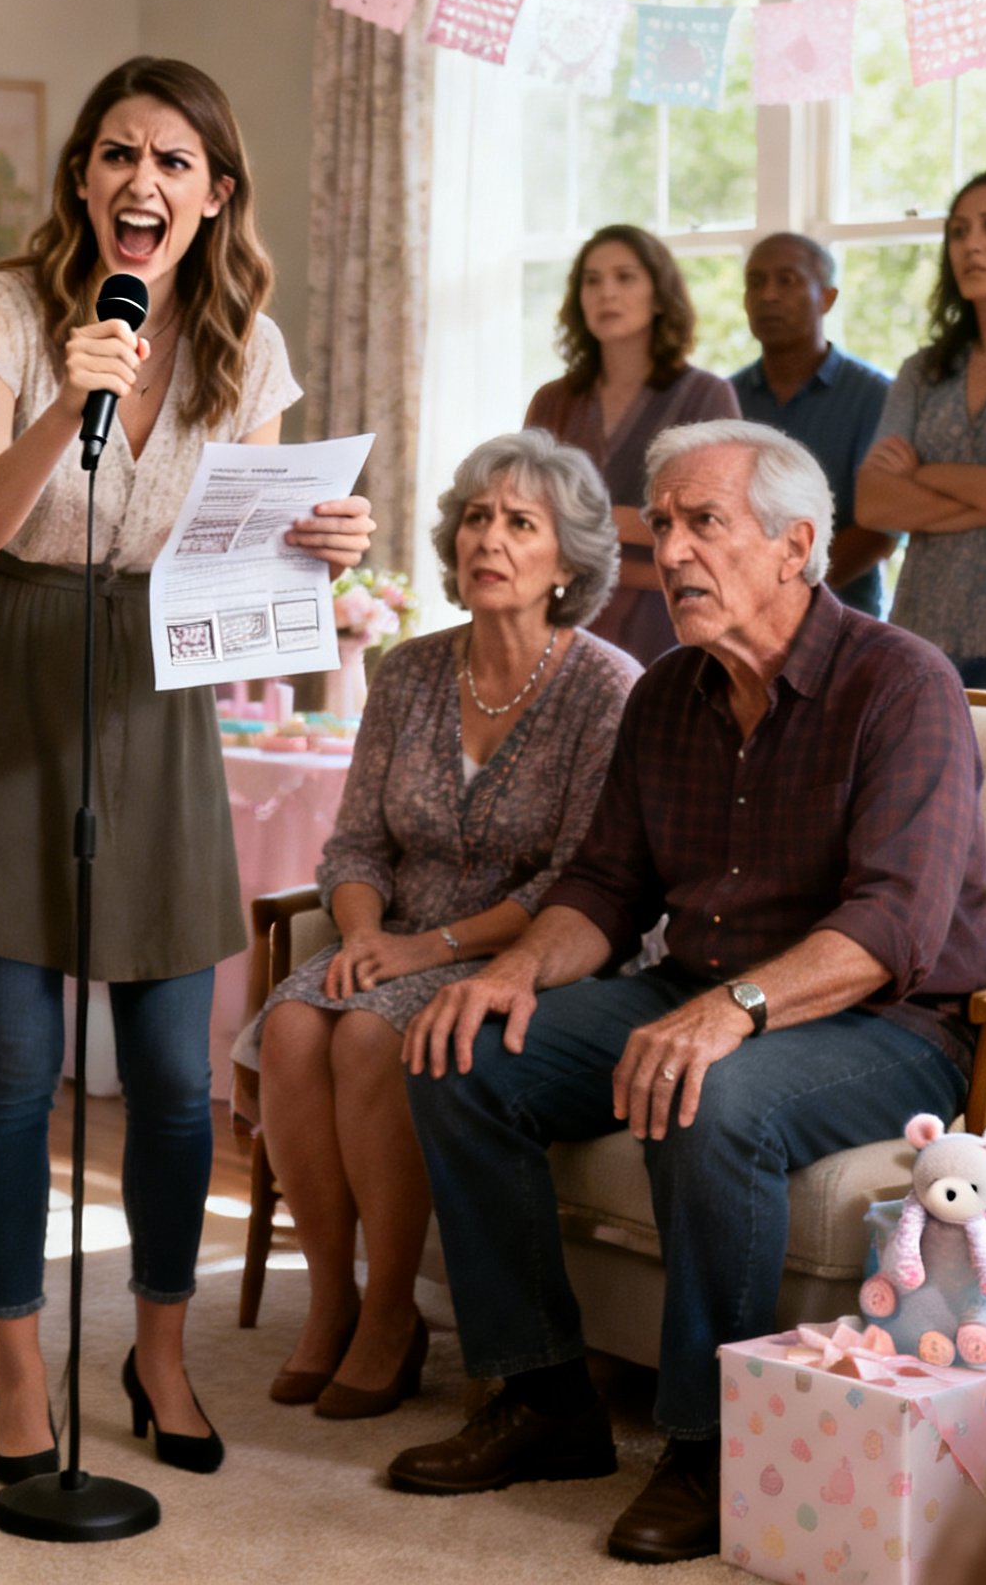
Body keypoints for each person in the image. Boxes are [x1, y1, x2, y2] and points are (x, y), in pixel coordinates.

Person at [0, 56, 375, 1482]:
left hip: (156, 683)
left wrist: (319, 548)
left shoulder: (248, 349)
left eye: (173, 160)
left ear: (215, 194)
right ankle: (19, 1369)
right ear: (84, 175)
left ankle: (158, 1352)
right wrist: (56, 401)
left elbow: (243, 553)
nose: (143, 179)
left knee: (175, 1080)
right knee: (15, 1064)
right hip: (14, 664)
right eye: (119, 152)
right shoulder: (6, 312)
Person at [389, 420, 986, 1567]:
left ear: (792, 545)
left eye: (700, 521)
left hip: (889, 1023)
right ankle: (541, 1396)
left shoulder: (898, 682)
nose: (667, 549)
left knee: (708, 1097)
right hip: (694, 984)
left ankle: (709, 1446)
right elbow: (604, 887)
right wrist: (510, 969)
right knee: (461, 1051)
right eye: (660, 522)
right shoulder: (668, 690)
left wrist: (732, 1011)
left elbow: (892, 924)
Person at [252, 430, 636, 1422]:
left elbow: (576, 880)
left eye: (520, 523)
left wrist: (425, 950)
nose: (488, 539)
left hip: (527, 956)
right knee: (292, 1024)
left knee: (369, 1035)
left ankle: (392, 1312)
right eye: (475, 517)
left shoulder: (605, 688)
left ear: (569, 559)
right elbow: (354, 845)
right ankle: (330, 1297)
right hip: (390, 936)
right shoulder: (408, 670)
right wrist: (359, 933)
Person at [525, 225, 737, 665]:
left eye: (625, 278)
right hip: (558, 627)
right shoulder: (553, 401)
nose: (607, 293)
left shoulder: (706, 396)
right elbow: (525, 521)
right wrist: (635, 528)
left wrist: (587, 527)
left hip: (672, 628)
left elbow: (717, 526)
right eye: (592, 280)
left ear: (659, 296)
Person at [857, 169, 986, 688]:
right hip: (922, 635)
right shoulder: (923, 371)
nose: (972, 245)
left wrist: (923, 472)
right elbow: (874, 504)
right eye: (958, 231)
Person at [729, 232, 894, 617]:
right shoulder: (726, 398)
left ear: (827, 298)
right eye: (756, 282)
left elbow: (881, 529)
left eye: (787, 280)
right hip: (738, 617)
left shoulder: (876, 396)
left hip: (842, 623)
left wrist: (782, 591)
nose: (768, 295)